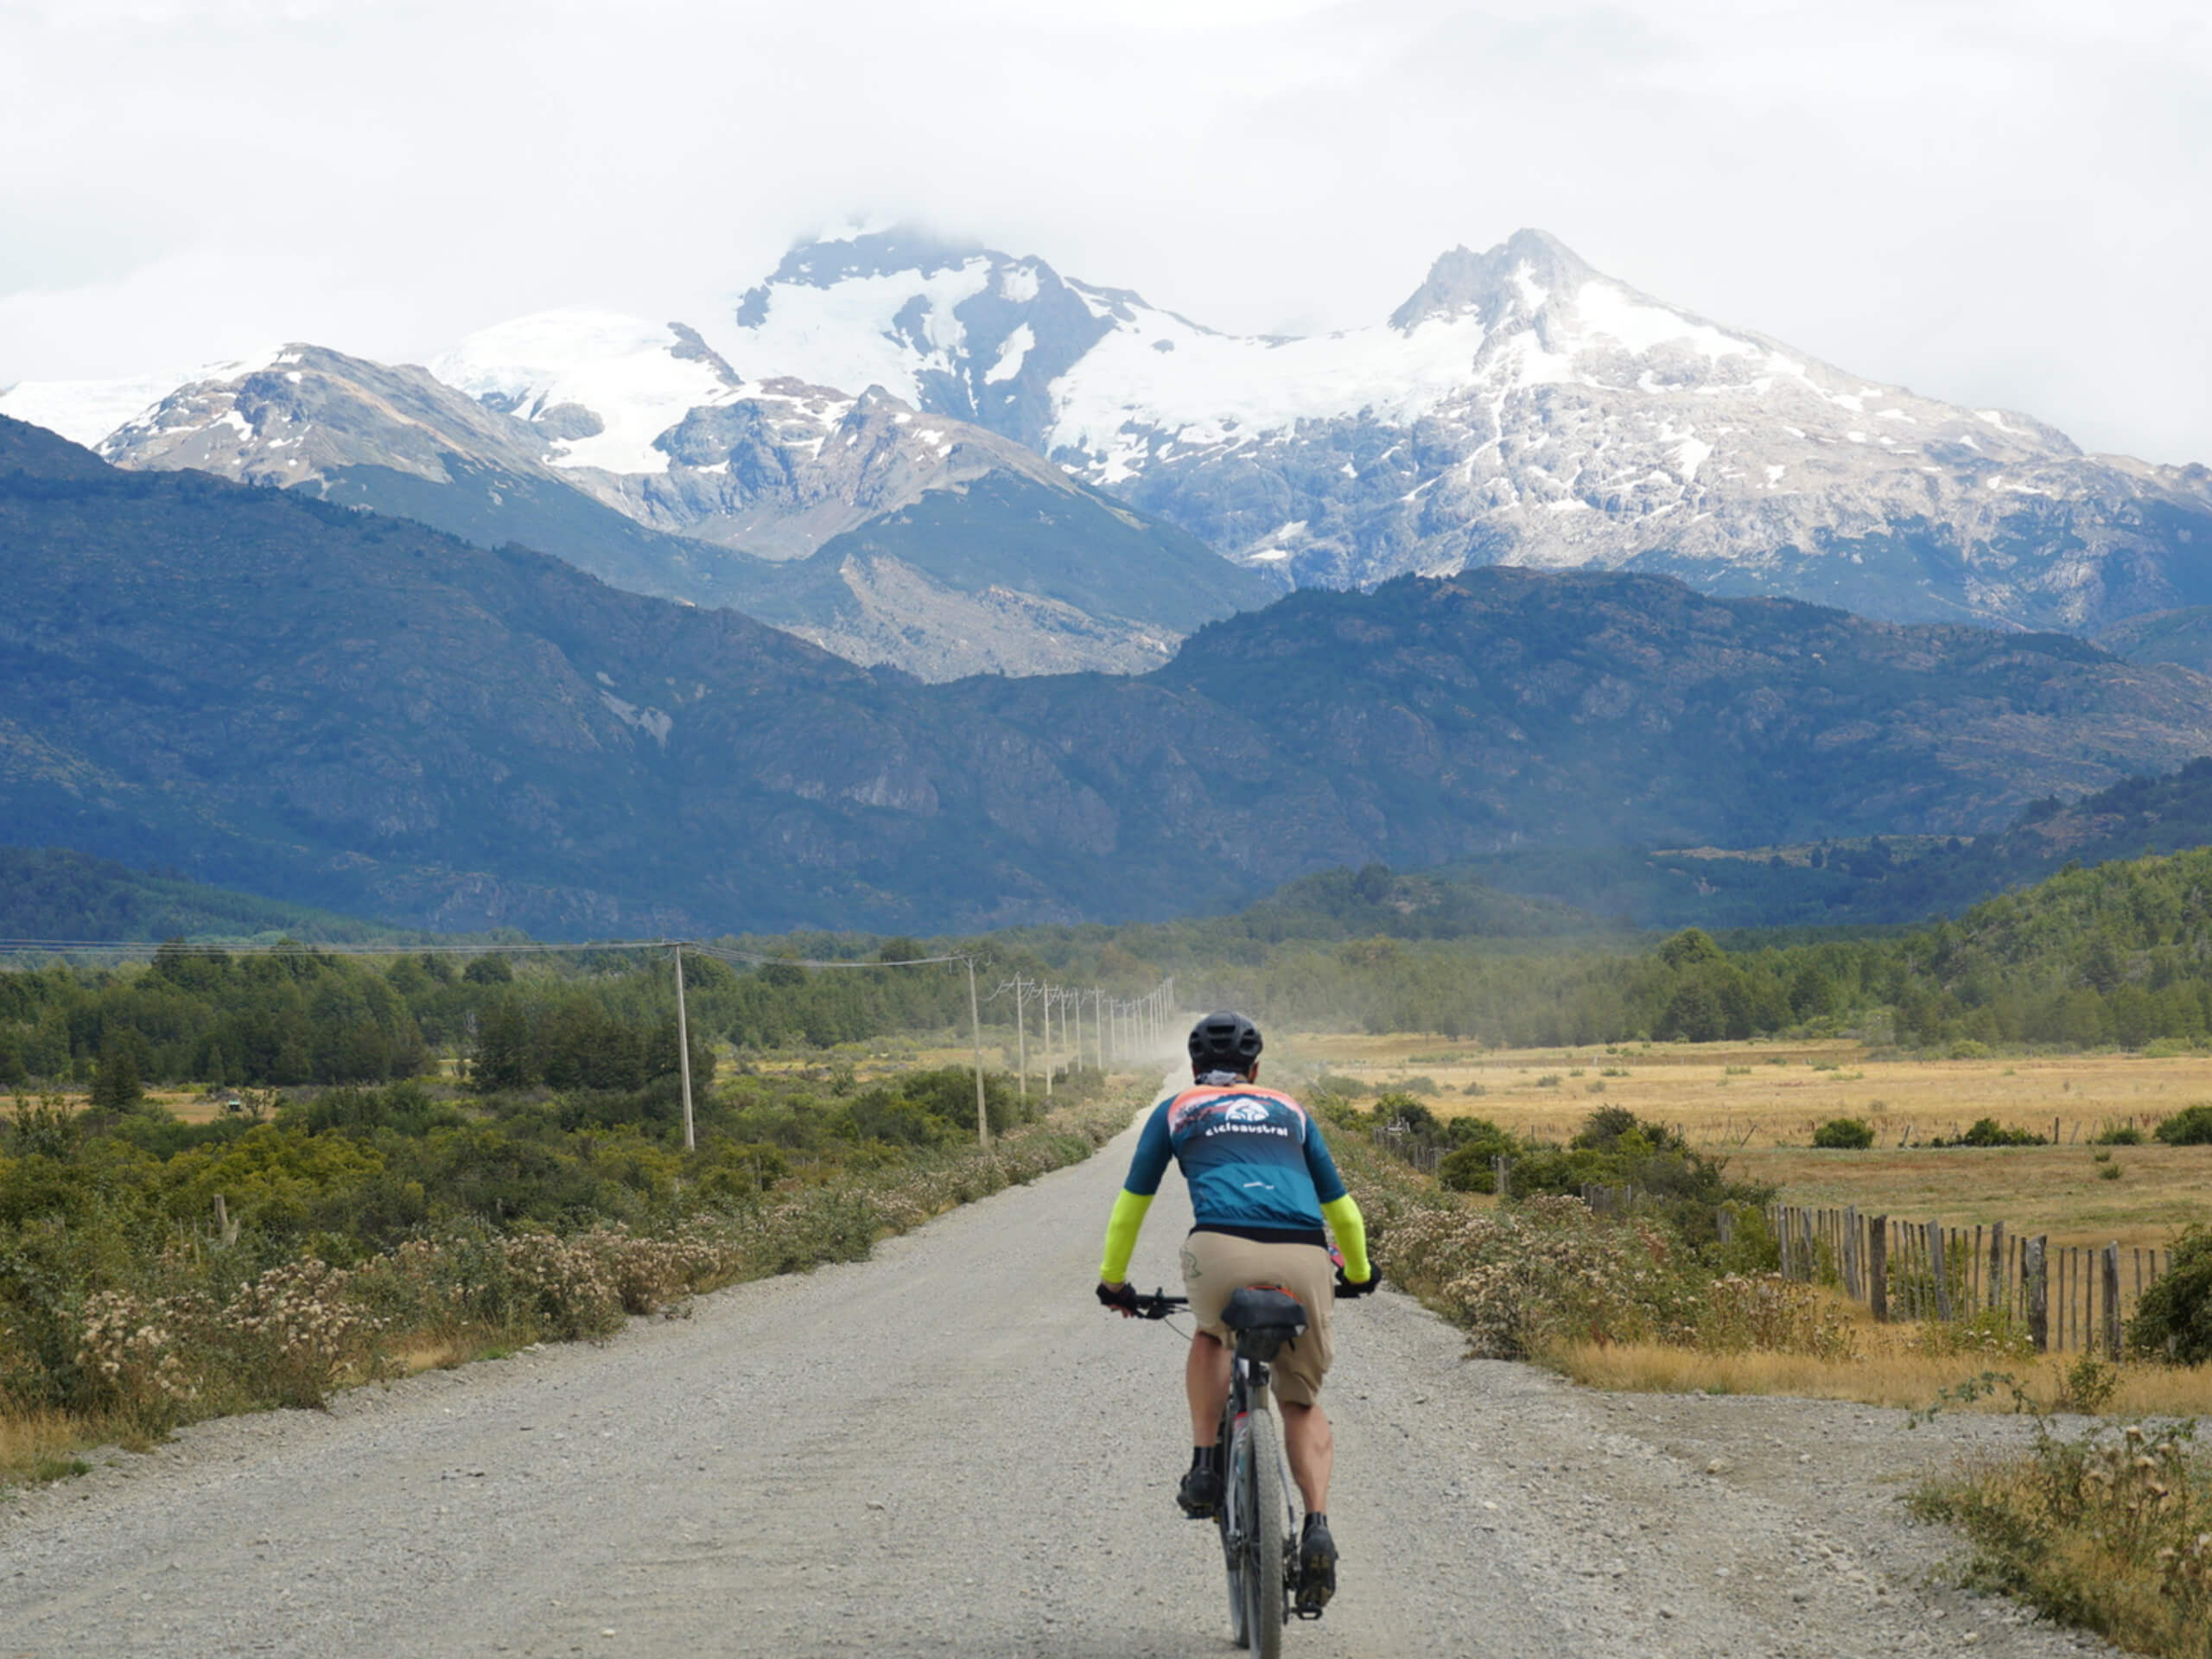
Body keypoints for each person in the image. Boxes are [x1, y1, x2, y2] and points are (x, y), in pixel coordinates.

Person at [1095, 1010, 1378, 1612]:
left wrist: (1114, 1282)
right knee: (1300, 1401)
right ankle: (1318, 1524)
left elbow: (1130, 1207)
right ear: (1256, 1069)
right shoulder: (1291, 1110)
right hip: (1305, 1252)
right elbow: (1346, 1215)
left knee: (1211, 1333)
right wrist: (1358, 1274)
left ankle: (1203, 1466)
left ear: (1196, 1068)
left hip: (1218, 1246)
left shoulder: (1177, 1109)